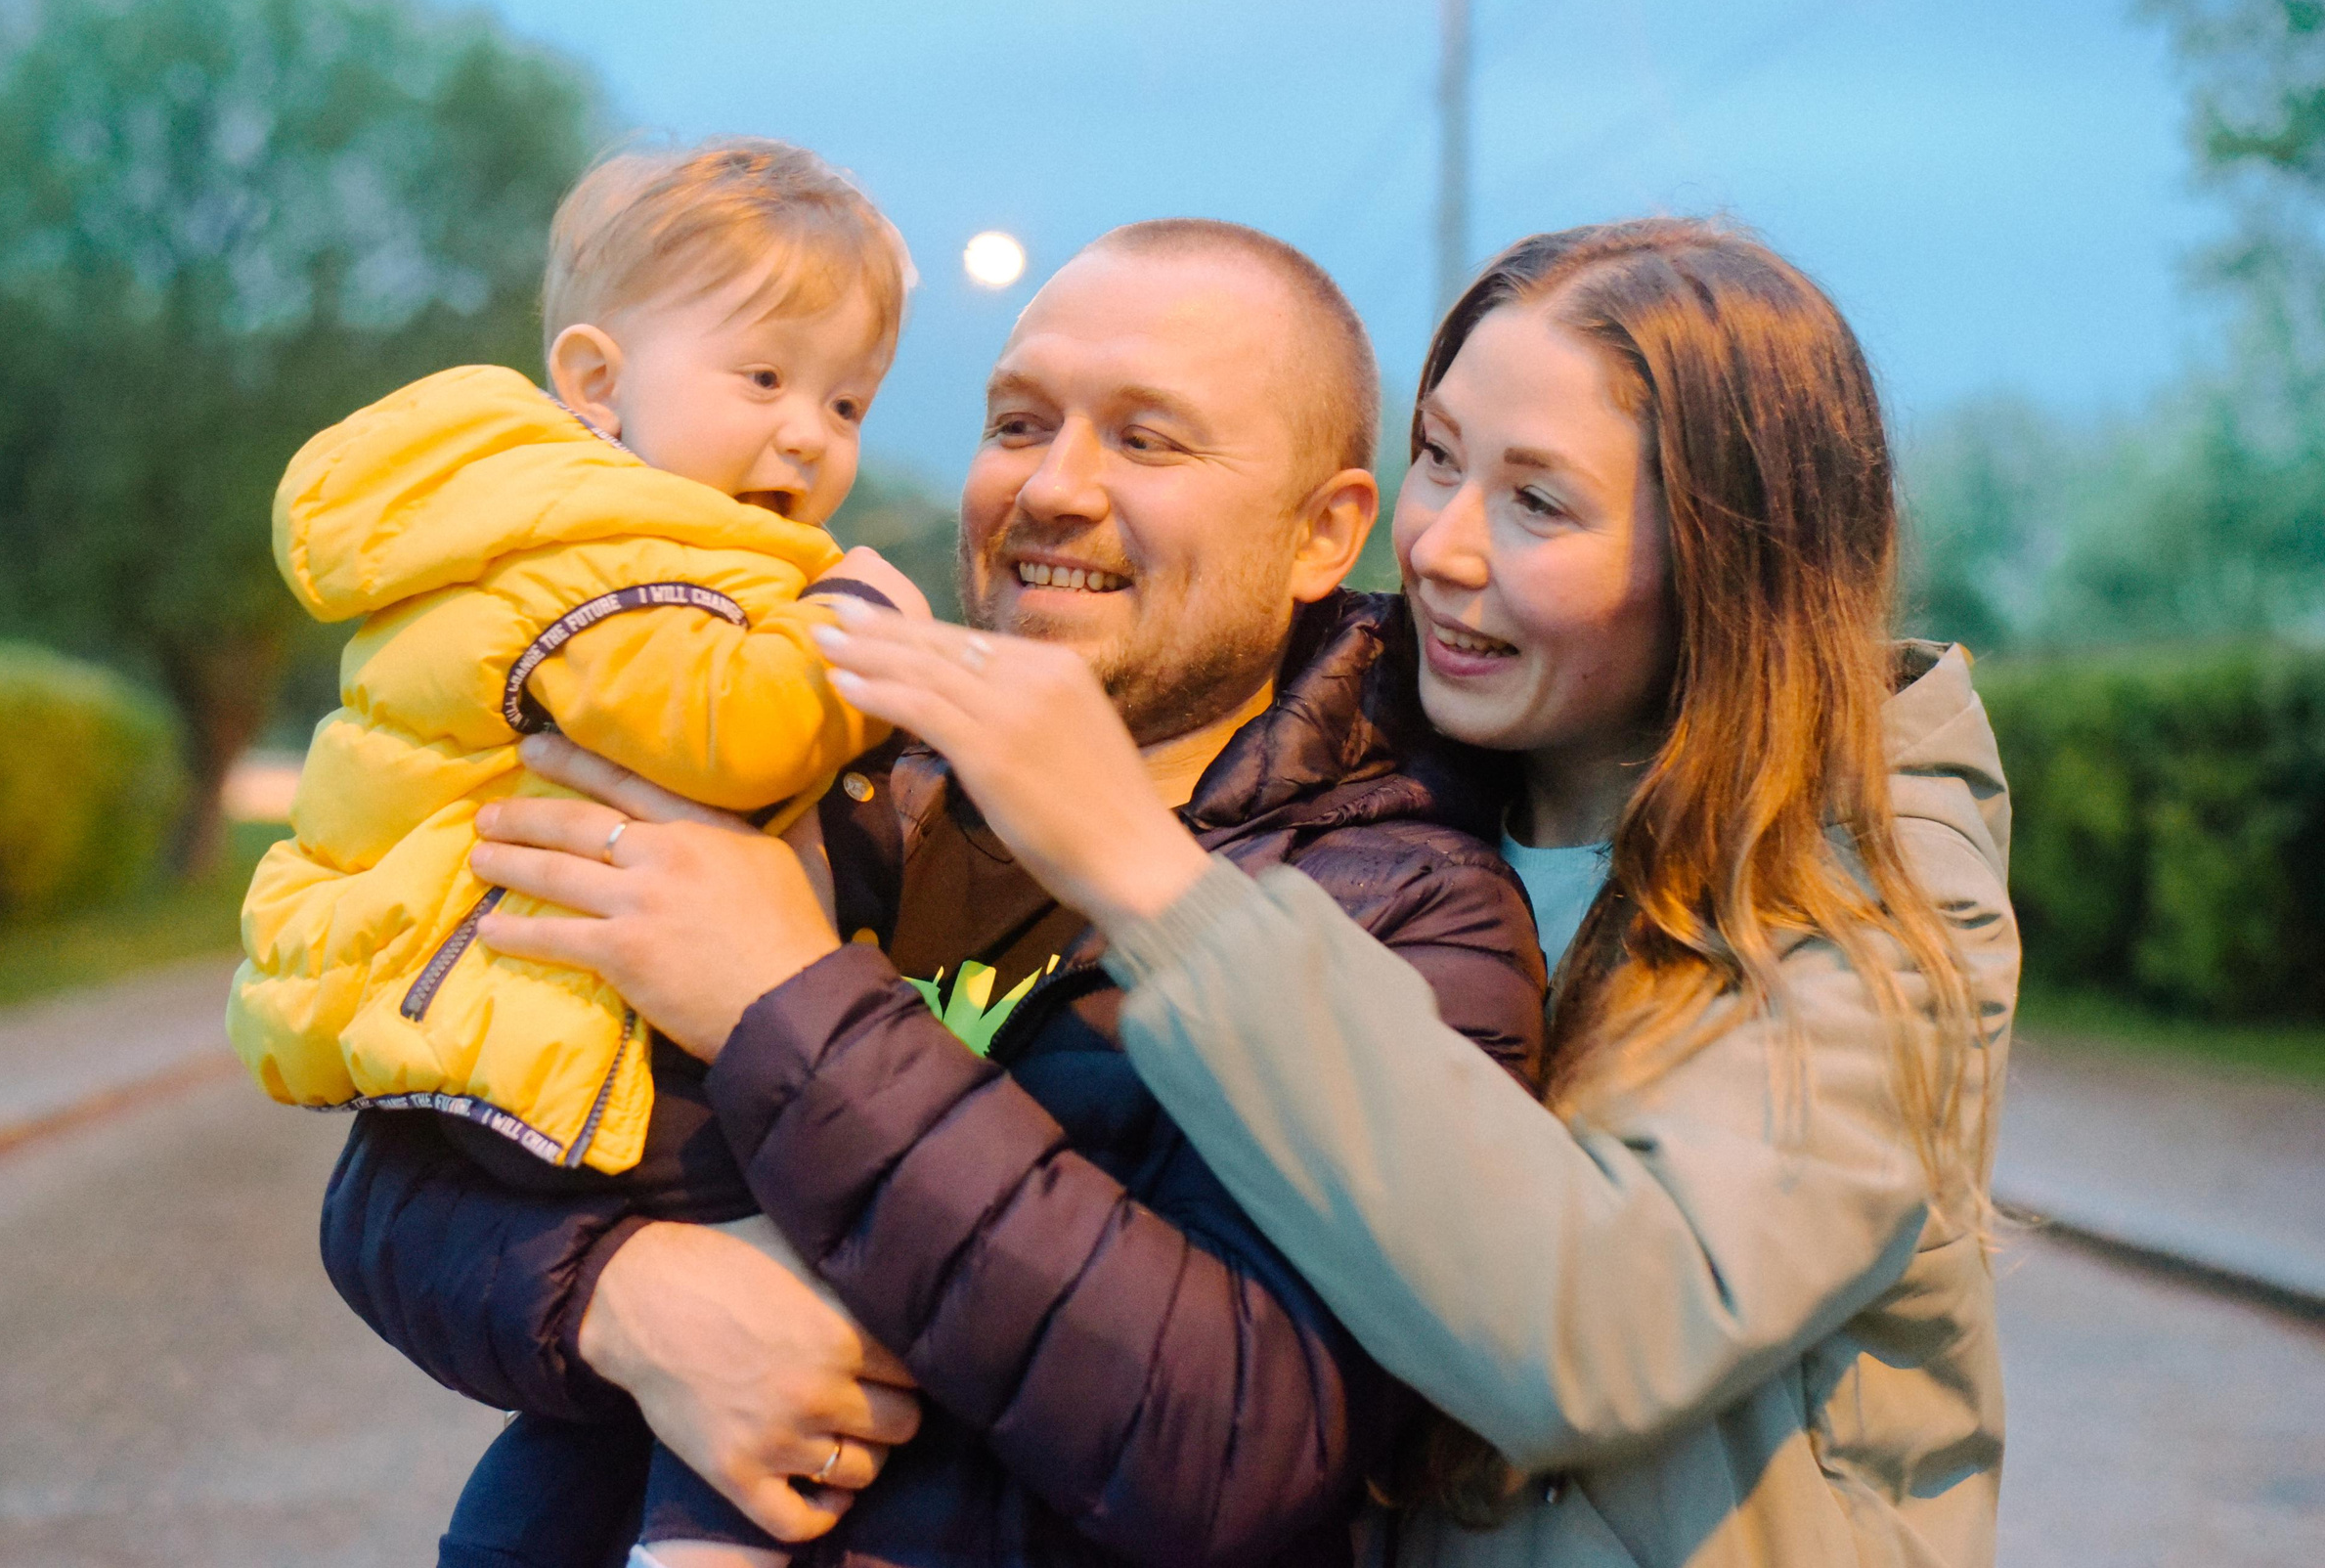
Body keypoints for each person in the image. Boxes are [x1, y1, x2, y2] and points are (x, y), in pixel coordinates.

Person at [320, 220, 1551, 1566]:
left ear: (1325, 531)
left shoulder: (1409, 910)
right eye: (1019, 423)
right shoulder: (823, 756)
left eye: (1148, 441)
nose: (1055, 489)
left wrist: (782, 1000)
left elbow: (1235, 1440)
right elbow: (396, 1169)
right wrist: (621, 1292)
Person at [814, 218, 2020, 1566]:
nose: (1441, 544)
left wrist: (1145, 878)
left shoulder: (1862, 895)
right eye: (1439, 456)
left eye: (1540, 501)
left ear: (1725, 567)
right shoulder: (1389, 791)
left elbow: (1600, 1329)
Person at [228, 137, 931, 1568]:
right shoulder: (601, 556)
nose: (809, 433)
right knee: (791, 1267)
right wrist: (861, 637)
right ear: (600, 383)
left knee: (587, 1430)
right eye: (764, 379)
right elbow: (736, 730)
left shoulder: (565, 527)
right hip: (580, 1047)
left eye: (846, 399)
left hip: (525, 1031)